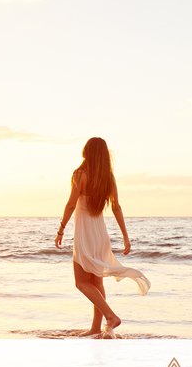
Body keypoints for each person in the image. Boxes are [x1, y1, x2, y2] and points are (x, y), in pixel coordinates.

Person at [55, 137, 150, 337]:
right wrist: (125, 236)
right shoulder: (107, 177)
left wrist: (61, 228)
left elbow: (71, 204)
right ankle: (96, 328)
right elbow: (116, 207)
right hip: (100, 236)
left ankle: (110, 316)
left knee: (81, 282)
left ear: (86, 152)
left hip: (85, 235)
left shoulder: (80, 175)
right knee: (96, 284)